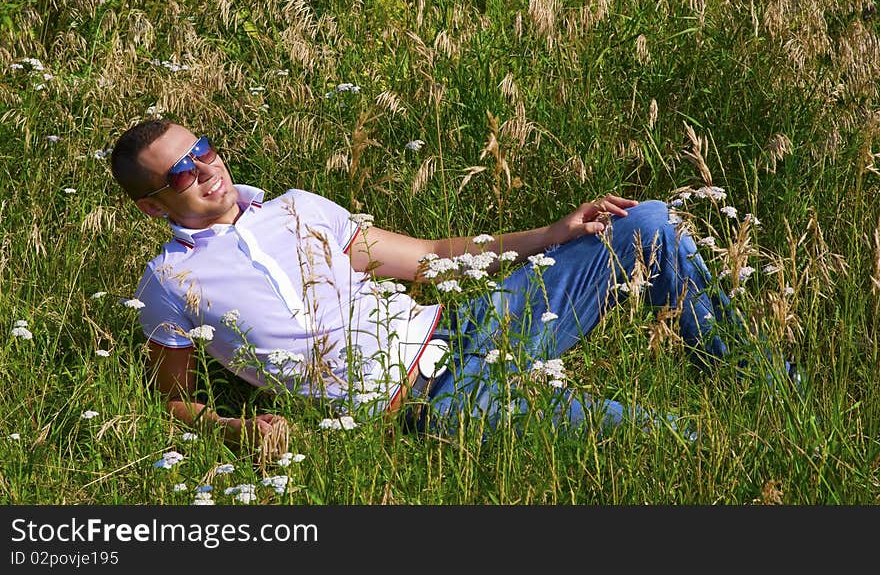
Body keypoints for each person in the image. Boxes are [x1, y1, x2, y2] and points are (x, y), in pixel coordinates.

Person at [110, 119, 790, 448]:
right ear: (151, 206)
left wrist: (554, 233)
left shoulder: (297, 207)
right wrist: (234, 429)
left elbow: (433, 256)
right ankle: (758, 446)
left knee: (643, 222)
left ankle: (769, 389)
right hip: (431, 403)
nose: (205, 168)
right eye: (179, 172)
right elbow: (172, 399)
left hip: (472, 325)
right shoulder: (170, 281)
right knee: (672, 436)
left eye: (202, 148)